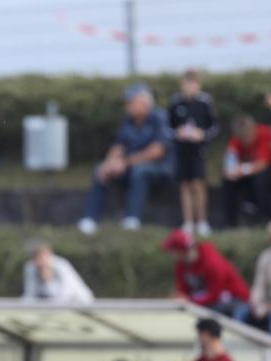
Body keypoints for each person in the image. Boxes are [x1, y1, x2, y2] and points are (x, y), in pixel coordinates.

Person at [78, 83, 174, 234]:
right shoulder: (128, 121)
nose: (127, 107)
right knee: (100, 170)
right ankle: (90, 219)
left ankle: (132, 219)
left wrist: (125, 162)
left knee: (139, 171)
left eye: (131, 103)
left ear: (144, 103)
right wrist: (109, 164)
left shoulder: (159, 118)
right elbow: (119, 146)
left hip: (160, 168)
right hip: (131, 166)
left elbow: (157, 151)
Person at [168, 69, 219, 236]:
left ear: (198, 85)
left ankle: (202, 221)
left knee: (199, 184)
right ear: (183, 83)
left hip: (198, 150)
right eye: (187, 83)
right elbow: (168, 128)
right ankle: (188, 222)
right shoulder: (175, 102)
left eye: (193, 83)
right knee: (185, 185)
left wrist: (202, 135)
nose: (190, 87)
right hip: (182, 150)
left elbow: (214, 127)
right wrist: (177, 133)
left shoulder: (205, 102)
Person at [161, 228, 250, 322]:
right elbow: (182, 291)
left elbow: (214, 294)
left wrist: (189, 301)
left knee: (210, 316)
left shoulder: (212, 262)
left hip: (234, 300)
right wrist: (182, 298)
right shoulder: (180, 265)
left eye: (174, 251)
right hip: (209, 301)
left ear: (182, 251)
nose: (172, 254)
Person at [222, 115, 271, 227]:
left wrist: (242, 169)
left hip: (264, 174)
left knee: (261, 179)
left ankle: (265, 218)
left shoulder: (264, 133)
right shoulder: (236, 140)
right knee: (228, 182)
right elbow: (229, 165)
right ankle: (231, 223)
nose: (246, 141)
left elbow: (263, 164)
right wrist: (231, 172)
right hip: (248, 174)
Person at [21, 241, 94, 303]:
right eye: (36, 257)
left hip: (79, 302)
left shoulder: (62, 265)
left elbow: (66, 294)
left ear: (49, 254)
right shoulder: (30, 267)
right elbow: (30, 294)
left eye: (42, 256)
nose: (40, 261)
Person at [249, 227, 271, 332]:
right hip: (266, 303)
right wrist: (256, 303)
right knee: (242, 312)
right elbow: (259, 285)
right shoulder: (265, 257)